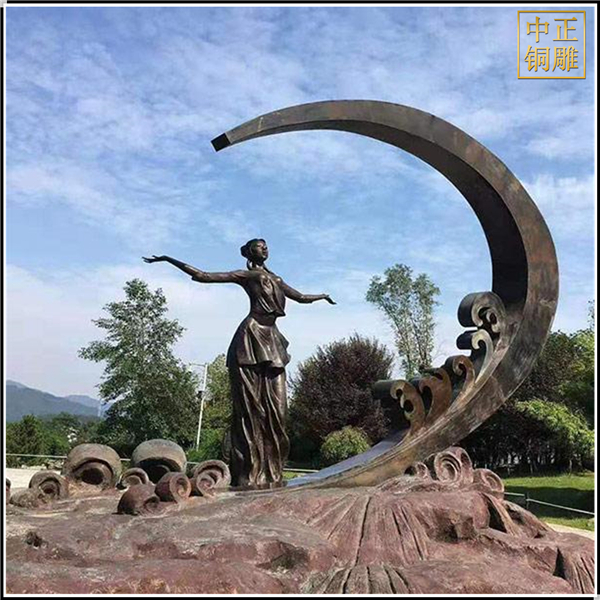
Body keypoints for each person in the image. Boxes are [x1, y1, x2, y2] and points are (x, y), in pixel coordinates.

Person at [143, 239, 335, 487]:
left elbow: (301, 297)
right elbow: (203, 276)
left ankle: (272, 473)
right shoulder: (246, 275)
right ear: (250, 252)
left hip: (272, 339)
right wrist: (169, 259)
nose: (265, 248)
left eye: (267, 245)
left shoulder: (276, 279)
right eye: (260, 246)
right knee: (250, 410)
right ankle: (249, 473)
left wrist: (322, 296)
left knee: (278, 412)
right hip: (250, 338)